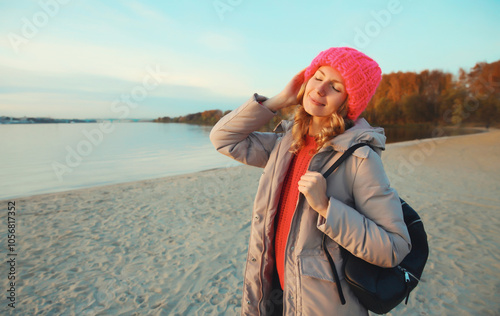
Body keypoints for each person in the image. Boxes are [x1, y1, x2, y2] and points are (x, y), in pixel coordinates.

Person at [210, 47, 411, 316]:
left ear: (348, 102)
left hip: (320, 307)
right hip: (274, 294)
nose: (320, 89)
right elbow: (223, 138)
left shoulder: (360, 158)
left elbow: (394, 247)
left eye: (335, 86)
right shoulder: (285, 144)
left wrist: (328, 208)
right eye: (317, 77)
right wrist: (278, 101)